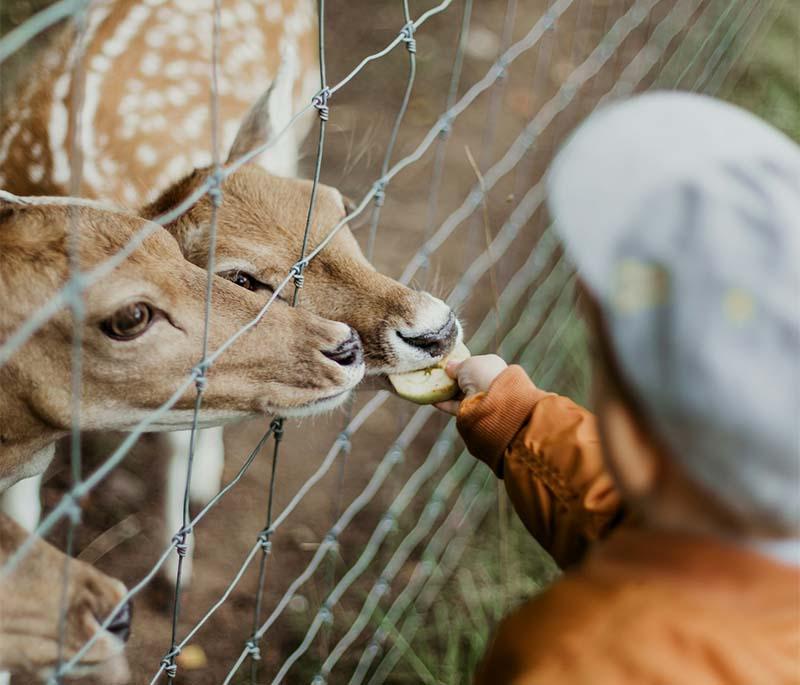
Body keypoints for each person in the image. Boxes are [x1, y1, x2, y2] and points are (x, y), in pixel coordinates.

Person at [436, 92, 800, 684]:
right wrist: (518, 419)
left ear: (630, 435)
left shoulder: (580, 660)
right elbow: (648, 528)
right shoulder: (750, 540)